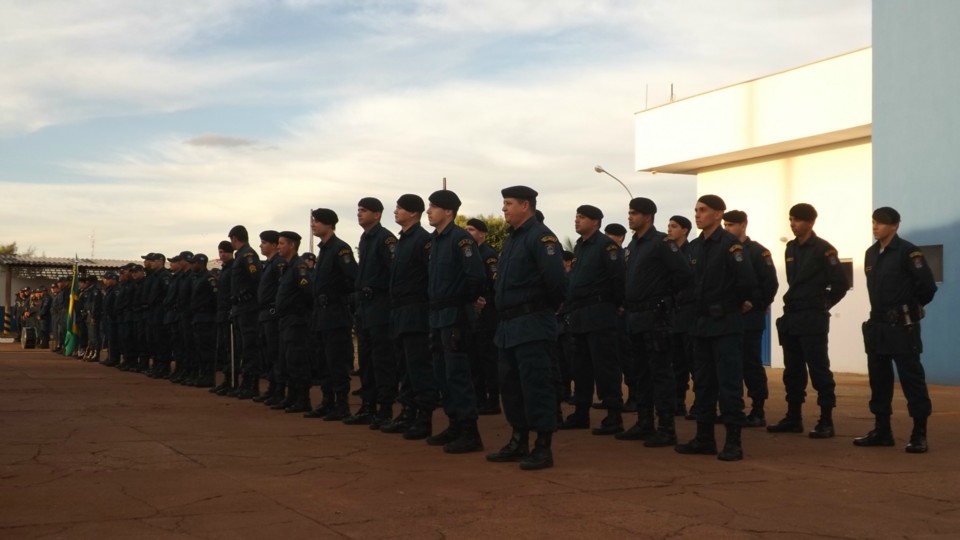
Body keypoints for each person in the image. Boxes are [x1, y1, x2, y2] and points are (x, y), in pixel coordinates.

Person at [486, 185, 566, 470]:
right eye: (503, 203)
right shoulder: (511, 240)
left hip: (532, 325)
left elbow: (557, 281)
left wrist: (545, 309)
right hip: (509, 327)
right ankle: (518, 440)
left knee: (537, 386)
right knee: (511, 388)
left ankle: (542, 447)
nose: (504, 208)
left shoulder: (540, 237)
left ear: (525, 206)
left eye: (508, 203)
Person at [675, 195, 757, 462]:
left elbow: (746, 281)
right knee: (703, 384)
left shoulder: (730, 245)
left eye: (703, 210)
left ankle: (734, 442)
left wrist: (734, 305)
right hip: (700, 326)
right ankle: (704, 437)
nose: (697, 215)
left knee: (729, 384)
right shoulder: (696, 246)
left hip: (724, 324)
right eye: (696, 210)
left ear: (718, 214)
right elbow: (688, 283)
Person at [856, 207, 938, 453]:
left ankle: (919, 433)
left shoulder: (908, 252)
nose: (875, 226)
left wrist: (912, 308)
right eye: (873, 222)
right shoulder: (871, 253)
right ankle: (882, 431)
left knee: (912, 379)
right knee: (878, 380)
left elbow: (927, 287)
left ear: (895, 226)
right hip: (878, 326)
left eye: (881, 223)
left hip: (902, 326)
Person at [768, 203, 849, 439]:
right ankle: (793, 417)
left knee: (818, 369)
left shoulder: (824, 250)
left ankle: (826, 420)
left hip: (812, 318)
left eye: (797, 220)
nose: (792, 224)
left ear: (810, 222)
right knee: (792, 371)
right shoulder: (791, 248)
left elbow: (840, 285)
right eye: (791, 219)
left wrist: (823, 304)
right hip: (793, 317)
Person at [617, 197, 692, 447]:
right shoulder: (634, 245)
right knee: (640, 374)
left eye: (634, 213)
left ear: (648, 217)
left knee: (661, 373)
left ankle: (666, 427)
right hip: (635, 317)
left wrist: (665, 299)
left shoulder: (661, 243)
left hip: (656, 317)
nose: (630, 217)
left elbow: (683, 274)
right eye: (629, 212)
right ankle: (644, 421)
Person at [424, 189, 486, 454]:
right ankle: (454, 424)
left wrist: (466, 303)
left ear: (448, 211)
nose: (429, 211)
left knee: (457, 373)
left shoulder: (460, 239)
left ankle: (470, 432)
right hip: (437, 315)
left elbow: (476, 277)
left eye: (433, 207)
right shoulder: (435, 241)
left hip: (455, 315)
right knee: (441, 373)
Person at [559, 204, 625, 435]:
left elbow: (618, 278)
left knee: (605, 366)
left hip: (599, 314)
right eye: (576, 216)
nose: (577, 220)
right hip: (579, 315)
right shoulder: (580, 246)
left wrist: (616, 305)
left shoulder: (605, 246)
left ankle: (614, 415)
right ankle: (581, 412)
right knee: (581, 368)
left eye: (582, 217)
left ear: (595, 222)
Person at [381, 194, 437, 438]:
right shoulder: (403, 240)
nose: (395, 211)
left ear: (414, 213)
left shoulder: (423, 240)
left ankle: (424, 418)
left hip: (416, 312)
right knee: (403, 366)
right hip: (400, 312)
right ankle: (407, 412)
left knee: (418, 367)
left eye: (400, 208)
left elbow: (430, 276)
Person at [722, 211, 779, 427]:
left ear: (743, 225)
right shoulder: (723, 249)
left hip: (750, 318)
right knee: (729, 364)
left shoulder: (757, 252)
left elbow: (770, 284)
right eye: (725, 225)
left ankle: (758, 409)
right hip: (730, 316)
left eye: (731, 225)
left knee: (751, 363)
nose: (727, 229)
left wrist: (756, 304)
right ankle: (733, 408)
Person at [345, 197, 398, 427]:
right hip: (365, 307)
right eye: (358, 210)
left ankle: (384, 409)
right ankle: (368, 405)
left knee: (381, 360)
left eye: (364, 210)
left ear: (377, 214)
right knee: (365, 360)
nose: (359, 214)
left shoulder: (385, 238)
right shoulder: (365, 239)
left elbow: (394, 273)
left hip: (380, 306)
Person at [303, 208, 358, 420]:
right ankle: (327, 402)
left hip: (335, 313)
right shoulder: (324, 249)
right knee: (323, 360)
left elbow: (353, 278)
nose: (313, 225)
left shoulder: (340, 249)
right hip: (321, 314)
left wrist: (337, 296)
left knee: (337, 361)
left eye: (317, 222)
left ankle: (341, 405)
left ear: (328, 224)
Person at [274, 231, 314, 413]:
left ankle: (303, 399)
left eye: (282, 243)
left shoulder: (299, 267)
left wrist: (299, 311)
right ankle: (292, 396)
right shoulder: (288, 267)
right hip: (286, 320)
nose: (278, 246)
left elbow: (308, 293)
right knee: (287, 360)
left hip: (297, 321)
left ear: (292, 246)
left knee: (297, 360)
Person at [465, 217, 501, 415]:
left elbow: (494, 284)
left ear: (482, 234)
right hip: (473, 315)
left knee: (488, 358)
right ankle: (479, 397)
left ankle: (493, 399)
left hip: (487, 314)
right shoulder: (469, 254)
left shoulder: (488, 256)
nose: (467, 232)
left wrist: (483, 300)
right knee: (474, 358)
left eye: (471, 229)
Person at [227, 225, 263, 399]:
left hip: (248, 308)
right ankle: (245, 383)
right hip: (240, 308)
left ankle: (251, 384)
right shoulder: (240, 255)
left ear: (235, 238)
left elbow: (256, 279)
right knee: (243, 347)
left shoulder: (248, 255)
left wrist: (248, 297)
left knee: (249, 347)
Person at [666, 215, 696, 418]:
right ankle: (678, 401)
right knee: (676, 362)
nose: (669, 229)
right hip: (671, 314)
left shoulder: (693, 250)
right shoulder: (666, 251)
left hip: (690, 313)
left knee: (694, 361)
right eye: (668, 225)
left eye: (674, 226)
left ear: (685, 230)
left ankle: (700, 403)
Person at [254, 231, 285, 403]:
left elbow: (281, 288)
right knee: (269, 352)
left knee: (275, 353)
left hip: (273, 313)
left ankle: (278, 389)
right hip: (265, 313)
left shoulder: (278, 263)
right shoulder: (269, 263)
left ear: (273, 245)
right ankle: (273, 387)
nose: (261, 245)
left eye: (264, 242)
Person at [211, 241, 237, 395]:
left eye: (225, 252)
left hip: (229, 312)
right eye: (220, 252)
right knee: (224, 348)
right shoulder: (225, 269)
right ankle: (227, 380)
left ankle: (231, 381)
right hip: (221, 312)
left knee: (231, 349)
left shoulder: (233, 268)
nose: (222, 255)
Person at [188, 254, 219, 387]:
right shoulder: (197, 278)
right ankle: (202, 375)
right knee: (200, 348)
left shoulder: (208, 278)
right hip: (198, 317)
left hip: (206, 317)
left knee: (207, 349)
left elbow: (215, 298)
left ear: (201, 263)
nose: (192, 265)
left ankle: (208, 377)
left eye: (194, 263)